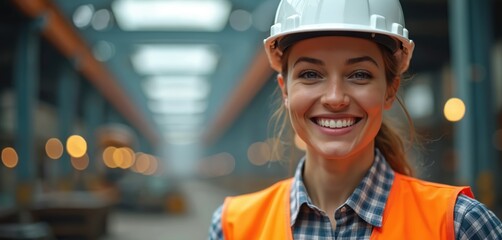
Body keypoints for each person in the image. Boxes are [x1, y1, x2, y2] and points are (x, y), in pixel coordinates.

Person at [208, 0, 502, 239]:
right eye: (310, 74)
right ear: (285, 90)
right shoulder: (233, 227)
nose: (335, 97)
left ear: (390, 90)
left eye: (359, 74)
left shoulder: (459, 225)